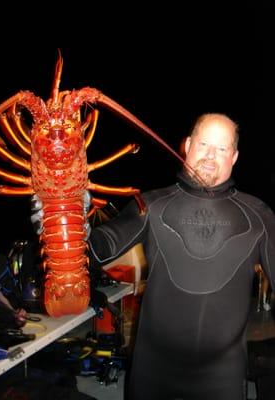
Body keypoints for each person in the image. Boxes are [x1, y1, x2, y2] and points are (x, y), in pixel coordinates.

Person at [86, 113, 275, 400]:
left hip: (222, 380)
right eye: (203, 145)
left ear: (234, 157)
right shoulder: (149, 205)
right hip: (152, 377)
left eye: (222, 149)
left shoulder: (258, 215)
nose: (211, 155)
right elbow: (95, 250)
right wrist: (64, 215)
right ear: (187, 145)